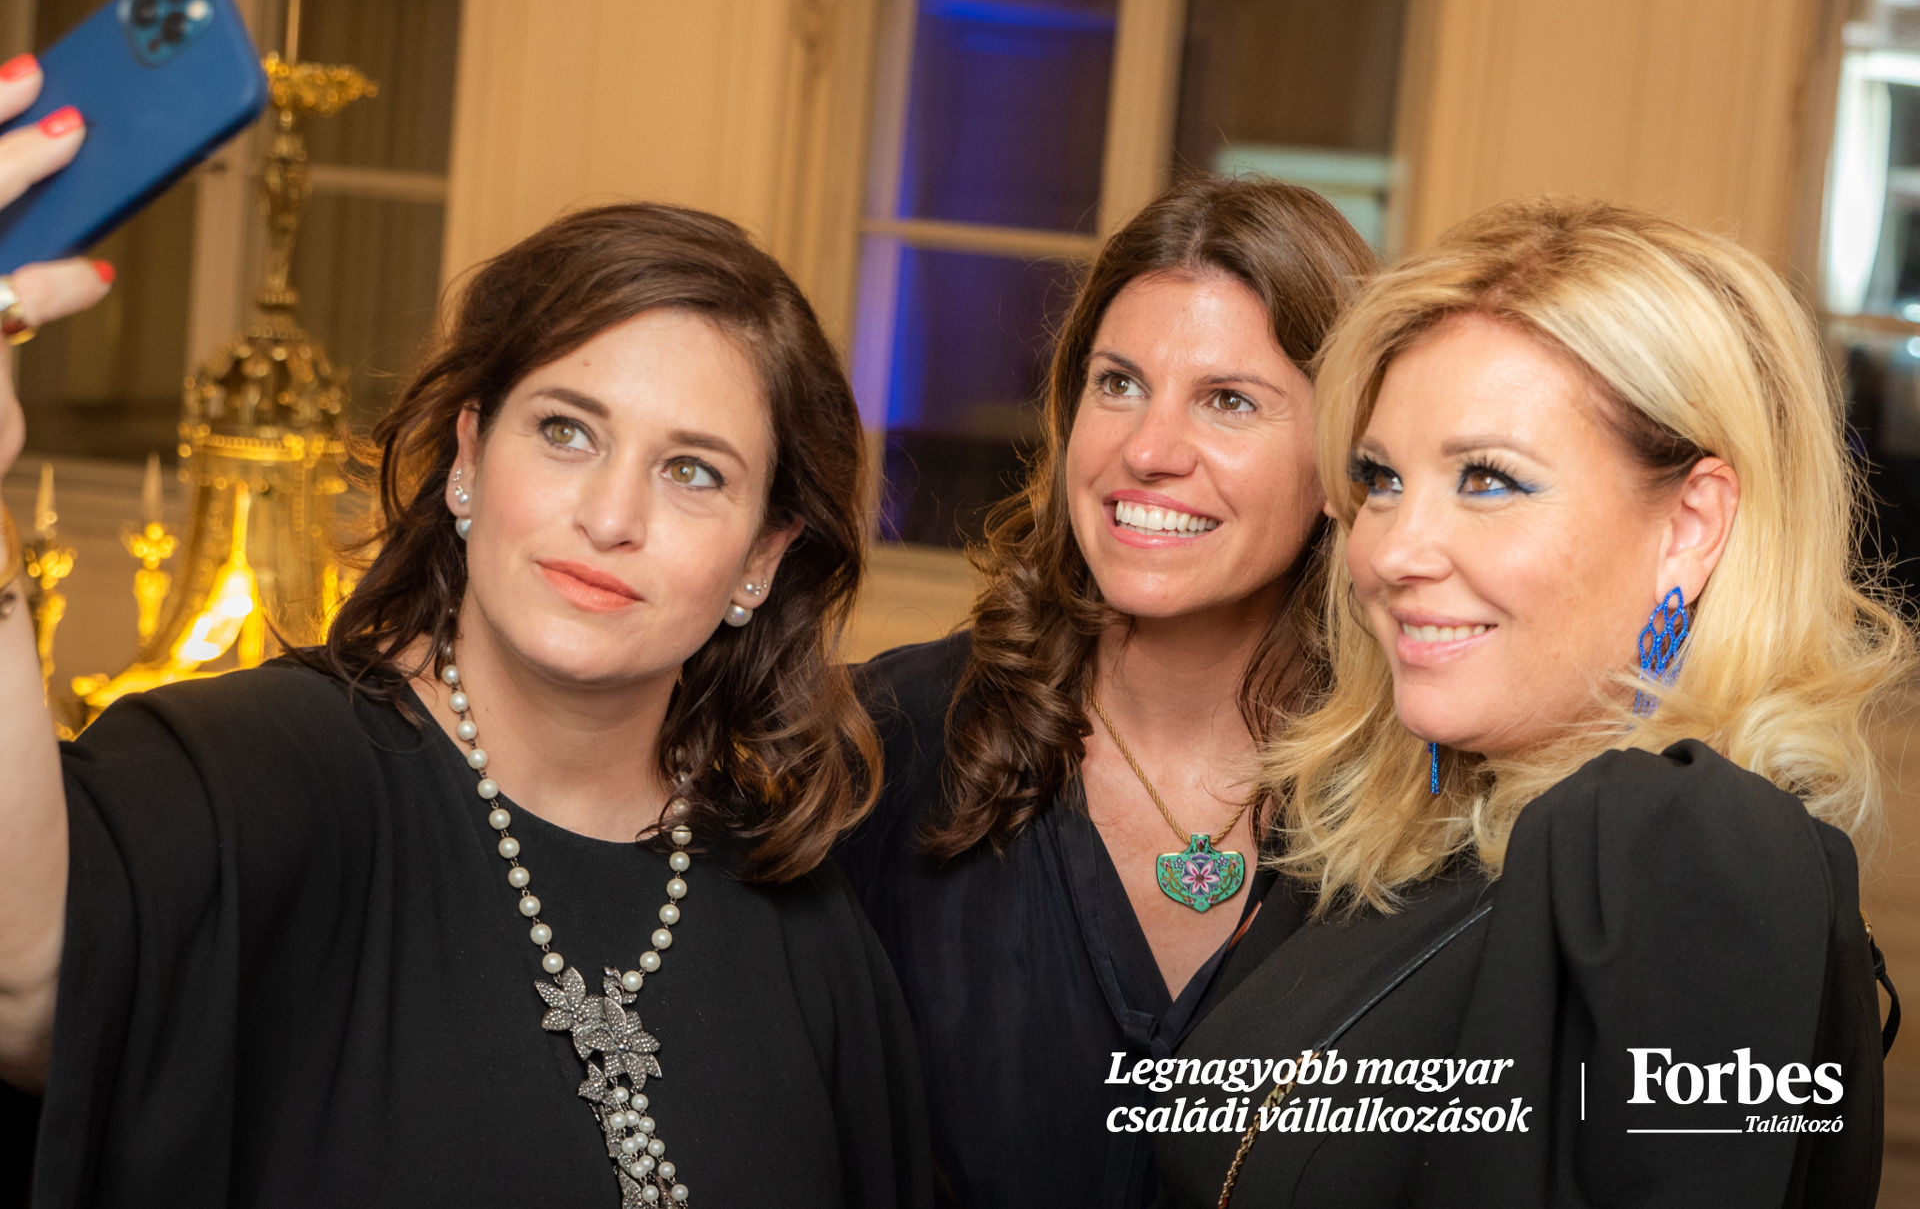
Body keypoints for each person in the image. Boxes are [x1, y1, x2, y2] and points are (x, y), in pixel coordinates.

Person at [0, 64, 930, 1207]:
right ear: (469, 458)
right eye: (567, 431)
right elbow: (31, 980)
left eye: (693, 471)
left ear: (762, 558)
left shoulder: (803, 927)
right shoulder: (262, 773)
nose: (612, 517)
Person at [1153, 196, 1905, 1207]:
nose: (1394, 551)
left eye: (1490, 480)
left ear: (1691, 523)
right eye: (1382, 479)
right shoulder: (1403, 833)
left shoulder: (1685, 846)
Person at [837, 176, 1376, 1207]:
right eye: (1118, 383)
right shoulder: (883, 742)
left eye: (1228, 400)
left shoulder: (1423, 800)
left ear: (1342, 460)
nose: (1148, 451)